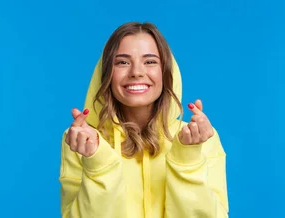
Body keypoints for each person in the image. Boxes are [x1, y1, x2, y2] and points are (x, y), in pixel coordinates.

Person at [59, 21, 229, 218]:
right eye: (122, 62)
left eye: (150, 61)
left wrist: (188, 157)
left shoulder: (201, 138)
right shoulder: (82, 141)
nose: (136, 72)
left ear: (166, 73)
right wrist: (96, 162)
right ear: (106, 74)